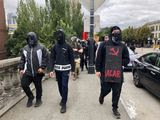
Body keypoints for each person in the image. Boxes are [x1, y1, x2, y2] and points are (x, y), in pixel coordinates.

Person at [96, 26, 130, 119]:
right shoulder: (104, 44)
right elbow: (99, 58)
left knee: (116, 92)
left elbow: (127, 59)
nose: (116, 34)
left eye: (118, 32)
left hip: (117, 74)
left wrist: (119, 62)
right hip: (105, 73)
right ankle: (102, 95)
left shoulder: (123, 46)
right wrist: (97, 70)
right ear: (111, 33)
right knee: (106, 89)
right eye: (114, 32)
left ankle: (115, 108)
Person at [19, 32, 49, 107]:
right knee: (24, 84)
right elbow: (22, 59)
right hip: (28, 71)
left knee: (38, 86)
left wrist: (42, 67)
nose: (30, 41)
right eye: (29, 39)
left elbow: (46, 57)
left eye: (32, 39)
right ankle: (30, 97)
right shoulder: (25, 48)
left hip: (38, 72)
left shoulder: (41, 47)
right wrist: (21, 68)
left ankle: (39, 99)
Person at [49, 29, 75, 113]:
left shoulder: (68, 46)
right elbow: (52, 58)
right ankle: (63, 97)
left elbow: (72, 58)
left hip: (66, 69)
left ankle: (64, 103)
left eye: (60, 35)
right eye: (57, 35)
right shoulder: (54, 47)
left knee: (64, 85)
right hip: (57, 69)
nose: (59, 37)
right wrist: (51, 70)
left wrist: (73, 70)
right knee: (60, 85)